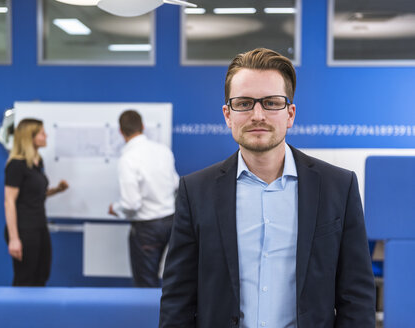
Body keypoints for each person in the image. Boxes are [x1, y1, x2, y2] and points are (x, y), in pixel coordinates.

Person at [159, 48, 376, 327]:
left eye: (271, 103)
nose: (257, 114)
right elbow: (178, 298)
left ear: (290, 114)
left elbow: (356, 297)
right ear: (228, 115)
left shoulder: (338, 187)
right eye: (244, 103)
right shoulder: (195, 191)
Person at [108, 110, 179, 287]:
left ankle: (149, 316)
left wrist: (115, 209)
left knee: (146, 283)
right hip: (171, 222)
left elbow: (131, 203)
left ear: (121, 131)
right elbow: (176, 184)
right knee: (173, 278)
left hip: (147, 229)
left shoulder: (128, 159)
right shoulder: (163, 150)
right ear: (143, 127)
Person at [4, 118, 68, 286]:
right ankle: (18, 312)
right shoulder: (16, 165)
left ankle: (35, 312)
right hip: (24, 229)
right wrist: (14, 239)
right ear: (29, 137)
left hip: (40, 226)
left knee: (42, 275)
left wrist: (58, 190)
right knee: (25, 278)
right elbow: (9, 201)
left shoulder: (38, 163)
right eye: (41, 133)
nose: (46, 135)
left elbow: (36, 195)